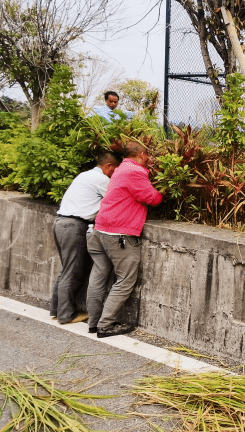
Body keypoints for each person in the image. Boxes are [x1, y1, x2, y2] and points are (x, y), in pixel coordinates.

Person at [86, 141, 162, 338]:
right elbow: (151, 197)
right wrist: (161, 194)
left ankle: (94, 322)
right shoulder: (135, 171)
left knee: (98, 275)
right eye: (148, 156)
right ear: (143, 155)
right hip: (119, 233)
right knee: (125, 280)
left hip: (100, 229)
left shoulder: (120, 169)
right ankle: (106, 325)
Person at [49, 152, 122, 325]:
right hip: (74, 226)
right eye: (116, 170)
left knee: (67, 269)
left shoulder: (85, 175)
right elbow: (118, 199)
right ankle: (66, 315)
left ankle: (57, 310)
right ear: (109, 167)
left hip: (62, 223)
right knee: (72, 270)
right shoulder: (102, 180)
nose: (116, 175)